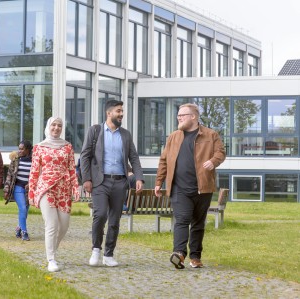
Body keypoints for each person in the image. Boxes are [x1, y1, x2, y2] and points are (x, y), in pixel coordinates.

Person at [155, 103, 226, 269]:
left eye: (182, 115)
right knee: (182, 220)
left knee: (198, 223)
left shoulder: (211, 135)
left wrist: (213, 161)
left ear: (193, 116)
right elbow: (164, 160)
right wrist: (159, 181)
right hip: (179, 189)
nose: (179, 117)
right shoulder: (173, 137)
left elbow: (221, 153)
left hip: (203, 188)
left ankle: (195, 257)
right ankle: (179, 253)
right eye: (178, 115)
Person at [80, 100, 144, 267]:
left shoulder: (126, 134)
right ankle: (96, 249)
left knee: (115, 220)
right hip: (100, 182)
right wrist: (86, 179)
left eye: (122, 111)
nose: (121, 114)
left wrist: (138, 177)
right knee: (100, 214)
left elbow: (134, 157)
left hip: (120, 182)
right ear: (109, 113)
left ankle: (109, 254)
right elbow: (85, 156)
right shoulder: (95, 131)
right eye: (118, 111)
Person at [28, 117, 80, 272]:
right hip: (46, 187)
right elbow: (34, 171)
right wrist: (31, 192)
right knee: (52, 224)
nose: (56, 128)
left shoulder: (67, 147)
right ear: (48, 126)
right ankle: (51, 259)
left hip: (63, 188)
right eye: (53, 125)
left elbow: (72, 169)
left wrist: (75, 188)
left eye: (59, 125)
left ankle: (51, 251)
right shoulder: (39, 147)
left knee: (64, 225)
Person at [3, 140, 33, 241]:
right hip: (18, 187)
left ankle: (19, 228)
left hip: (29, 189)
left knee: (25, 211)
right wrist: (6, 189)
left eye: (22, 149)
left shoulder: (35, 161)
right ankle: (24, 232)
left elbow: (37, 175)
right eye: (19, 148)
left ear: (28, 149)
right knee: (23, 209)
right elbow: (9, 176)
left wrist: (31, 184)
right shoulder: (15, 160)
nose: (19, 151)